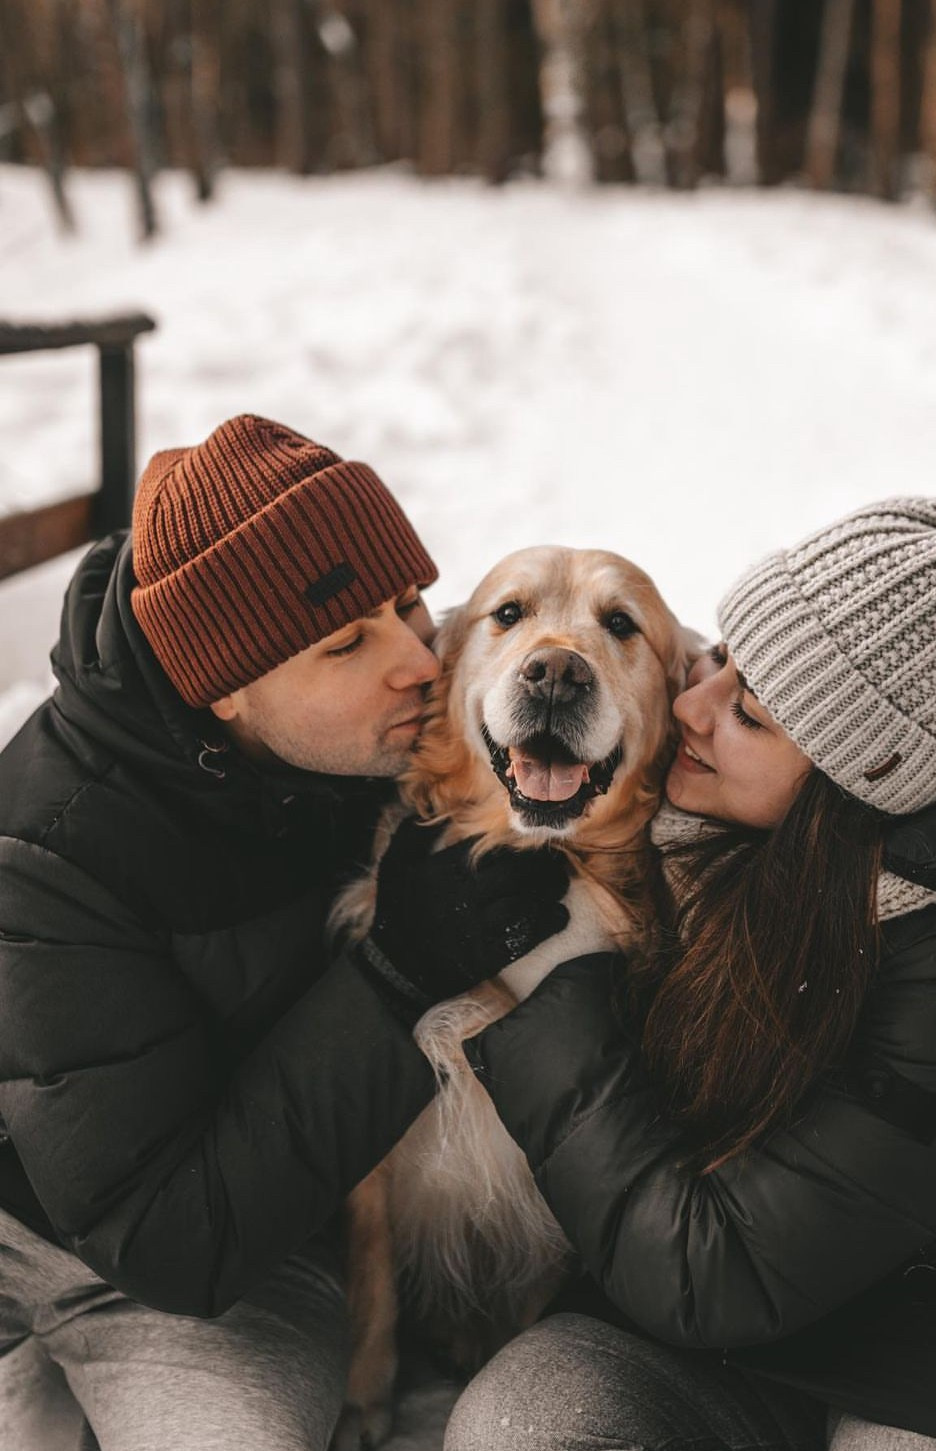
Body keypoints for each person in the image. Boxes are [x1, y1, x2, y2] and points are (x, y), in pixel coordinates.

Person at [444, 428, 936, 1451]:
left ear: (858, 778)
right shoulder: (714, 821)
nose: (691, 701)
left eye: (745, 710)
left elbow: (719, 1274)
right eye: (725, 655)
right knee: (520, 1426)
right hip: (732, 1314)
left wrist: (557, 999)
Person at [0, 415, 569, 1451]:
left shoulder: (389, 730)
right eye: (346, 641)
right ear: (223, 686)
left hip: (254, 1241)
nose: (417, 660)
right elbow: (167, 1239)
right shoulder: (51, 852)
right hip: (84, 1245)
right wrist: (398, 973)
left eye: (407, 604)